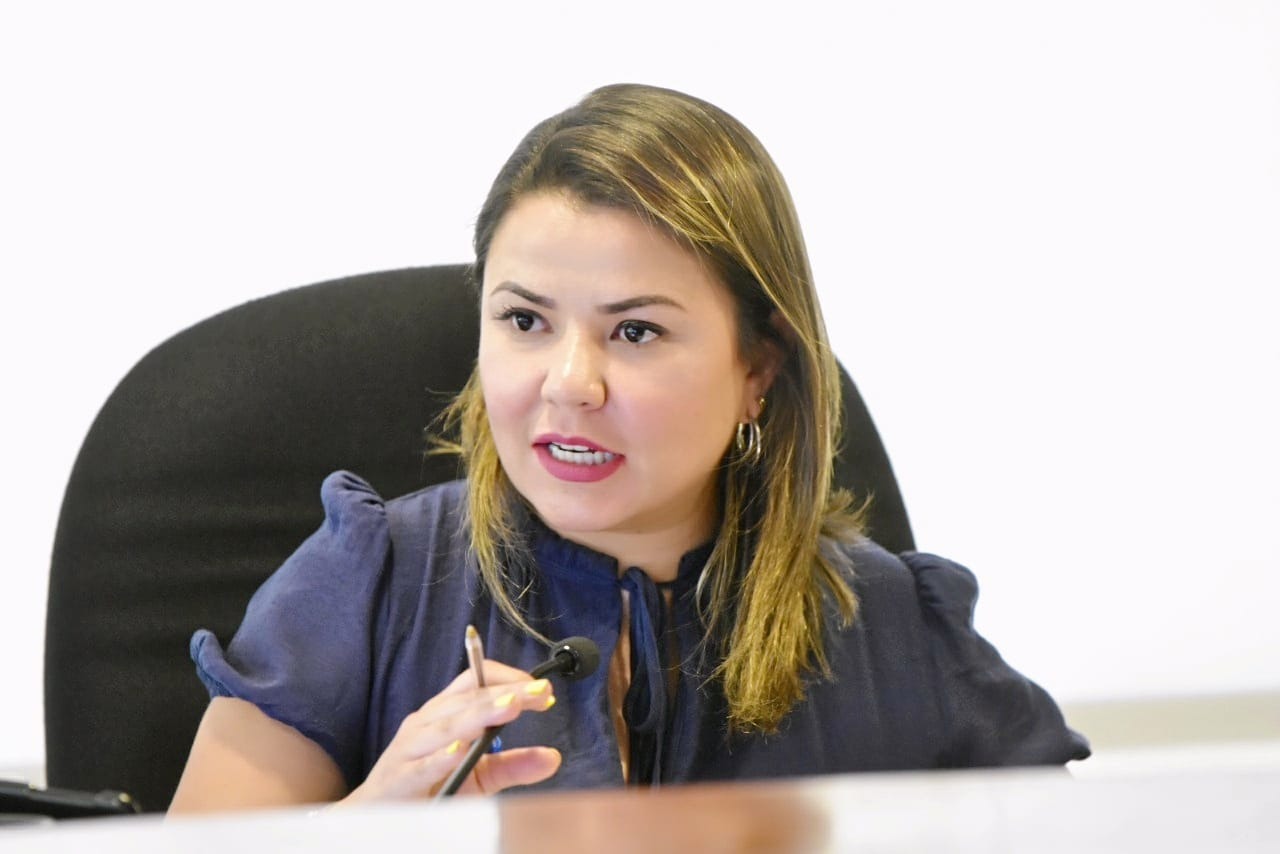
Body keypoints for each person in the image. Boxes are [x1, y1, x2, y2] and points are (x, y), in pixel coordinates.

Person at [168, 83, 1089, 813]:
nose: (570, 383)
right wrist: (370, 827)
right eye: (524, 320)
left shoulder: (893, 627)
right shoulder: (364, 582)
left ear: (759, 366)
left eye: (636, 332)